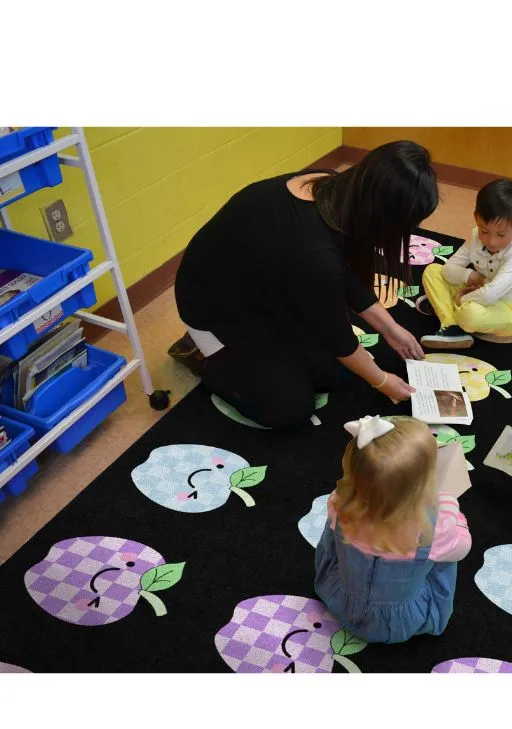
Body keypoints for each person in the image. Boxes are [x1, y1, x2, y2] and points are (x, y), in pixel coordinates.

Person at [171, 141, 439, 429]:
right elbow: (339, 337)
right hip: (214, 310)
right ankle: (204, 356)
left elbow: (344, 271)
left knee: (338, 374)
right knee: (289, 408)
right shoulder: (311, 251)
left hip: (267, 288)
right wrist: (383, 382)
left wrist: (390, 328)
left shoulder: (332, 188)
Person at [314, 415, 472, 644]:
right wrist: (449, 503)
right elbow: (462, 548)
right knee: (446, 556)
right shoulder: (435, 527)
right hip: (399, 621)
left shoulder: (338, 503)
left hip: (341, 600)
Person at [417, 179, 512, 349]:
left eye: (501, 234)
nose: (491, 241)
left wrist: (462, 299)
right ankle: (453, 326)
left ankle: (448, 311)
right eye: (484, 231)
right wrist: (470, 276)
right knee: (433, 271)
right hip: (483, 289)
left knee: (469, 315)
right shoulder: (476, 235)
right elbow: (449, 269)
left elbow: (489, 296)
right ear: (476, 217)